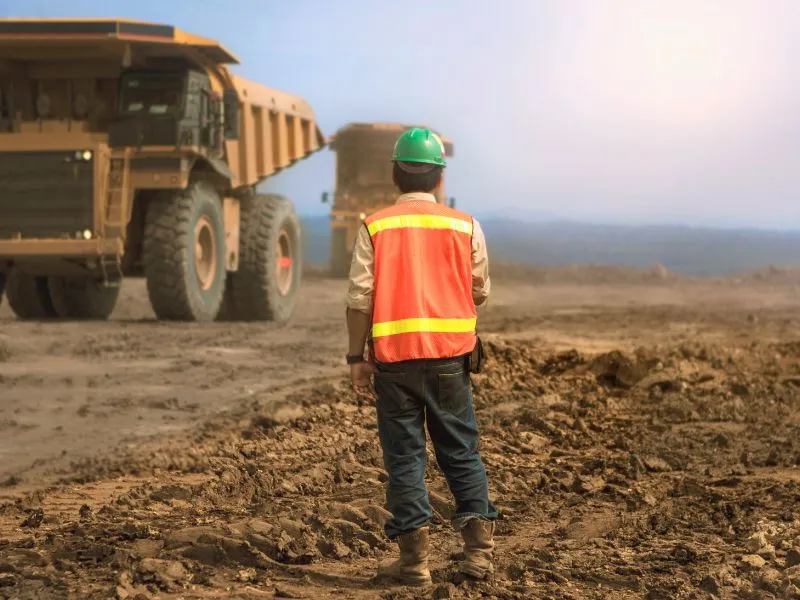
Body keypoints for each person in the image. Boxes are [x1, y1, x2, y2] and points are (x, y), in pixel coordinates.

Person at [344, 127, 497, 587]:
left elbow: (359, 299)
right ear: (439, 178)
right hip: (451, 362)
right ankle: (479, 555)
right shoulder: (465, 225)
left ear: (396, 173)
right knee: (461, 453)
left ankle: (413, 564)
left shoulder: (376, 225)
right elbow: (480, 291)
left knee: (406, 459)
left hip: (395, 365)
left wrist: (357, 356)